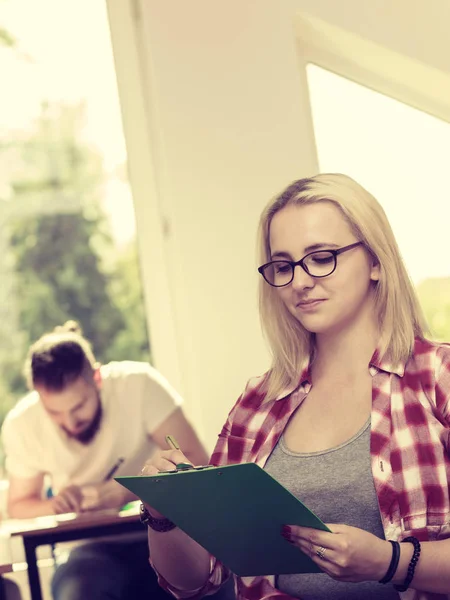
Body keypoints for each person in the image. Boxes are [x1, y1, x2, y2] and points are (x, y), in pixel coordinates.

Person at [138, 174, 450, 600]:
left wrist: (388, 562)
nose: (300, 282)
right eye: (283, 266)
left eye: (321, 258)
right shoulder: (258, 403)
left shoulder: (438, 376)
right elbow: (197, 580)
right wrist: (163, 514)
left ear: (376, 261)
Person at [1, 321, 210, 600]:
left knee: (204, 581)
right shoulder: (21, 423)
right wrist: (54, 505)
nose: (70, 422)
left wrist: (127, 491)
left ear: (97, 379)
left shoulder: (139, 384)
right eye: (55, 412)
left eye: (79, 406)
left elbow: (196, 461)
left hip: (164, 533)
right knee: (78, 590)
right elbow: (18, 505)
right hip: (86, 550)